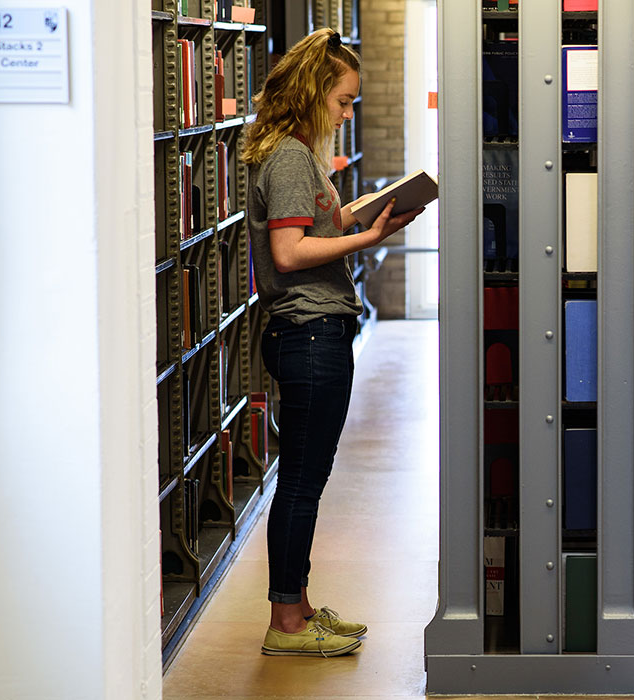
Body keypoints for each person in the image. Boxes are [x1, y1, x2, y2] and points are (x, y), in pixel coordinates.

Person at [240, 27, 422, 656]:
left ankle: (299, 606)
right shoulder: (290, 156)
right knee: (300, 483)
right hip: (310, 330)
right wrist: (365, 241)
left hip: (312, 329)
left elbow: (312, 225)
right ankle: (286, 624)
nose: (348, 114)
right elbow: (290, 252)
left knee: (305, 478)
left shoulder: (291, 152)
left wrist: (360, 213)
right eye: (343, 101)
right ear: (314, 92)